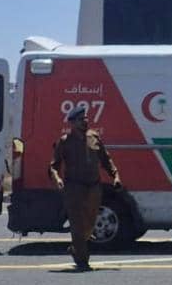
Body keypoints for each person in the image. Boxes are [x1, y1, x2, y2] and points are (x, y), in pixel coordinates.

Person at [49, 103, 122, 271]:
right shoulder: (65, 141)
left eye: (86, 118)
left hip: (93, 188)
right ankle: (82, 260)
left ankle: (76, 247)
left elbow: (106, 159)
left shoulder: (94, 137)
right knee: (77, 224)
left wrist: (116, 176)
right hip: (74, 188)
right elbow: (53, 165)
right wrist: (57, 179)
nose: (85, 121)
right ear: (72, 123)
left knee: (89, 225)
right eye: (81, 119)